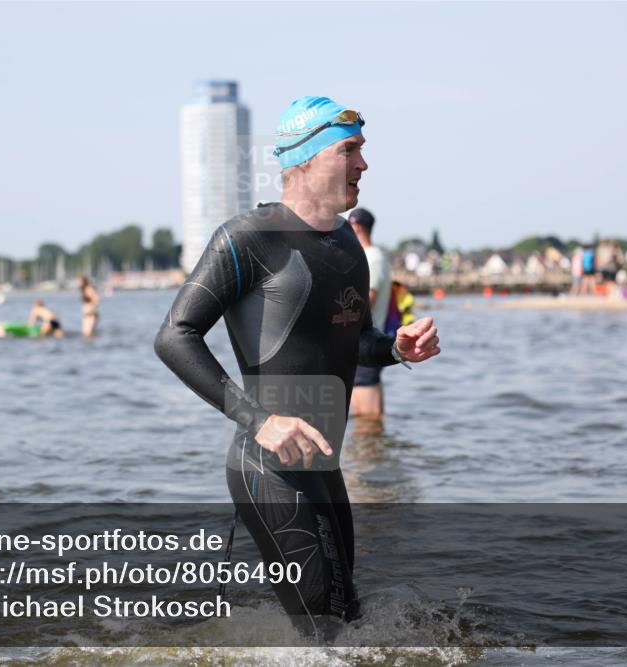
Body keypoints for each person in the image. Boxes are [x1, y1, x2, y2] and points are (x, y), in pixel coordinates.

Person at [154, 96, 440, 638]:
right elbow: (174, 336)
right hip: (270, 466)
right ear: (306, 160)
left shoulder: (345, 246)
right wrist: (261, 419)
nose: (364, 165)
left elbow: (352, 342)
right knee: (326, 635)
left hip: (325, 469)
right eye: (349, 151)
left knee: (344, 625)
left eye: (362, 151)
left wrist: (395, 350)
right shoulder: (247, 239)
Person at [348, 208, 392, 419]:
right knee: (366, 419)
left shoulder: (372, 258)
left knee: (367, 419)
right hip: (362, 342)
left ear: (355, 227)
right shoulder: (371, 256)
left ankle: (371, 453)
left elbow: (364, 302)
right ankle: (373, 451)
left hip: (366, 340)